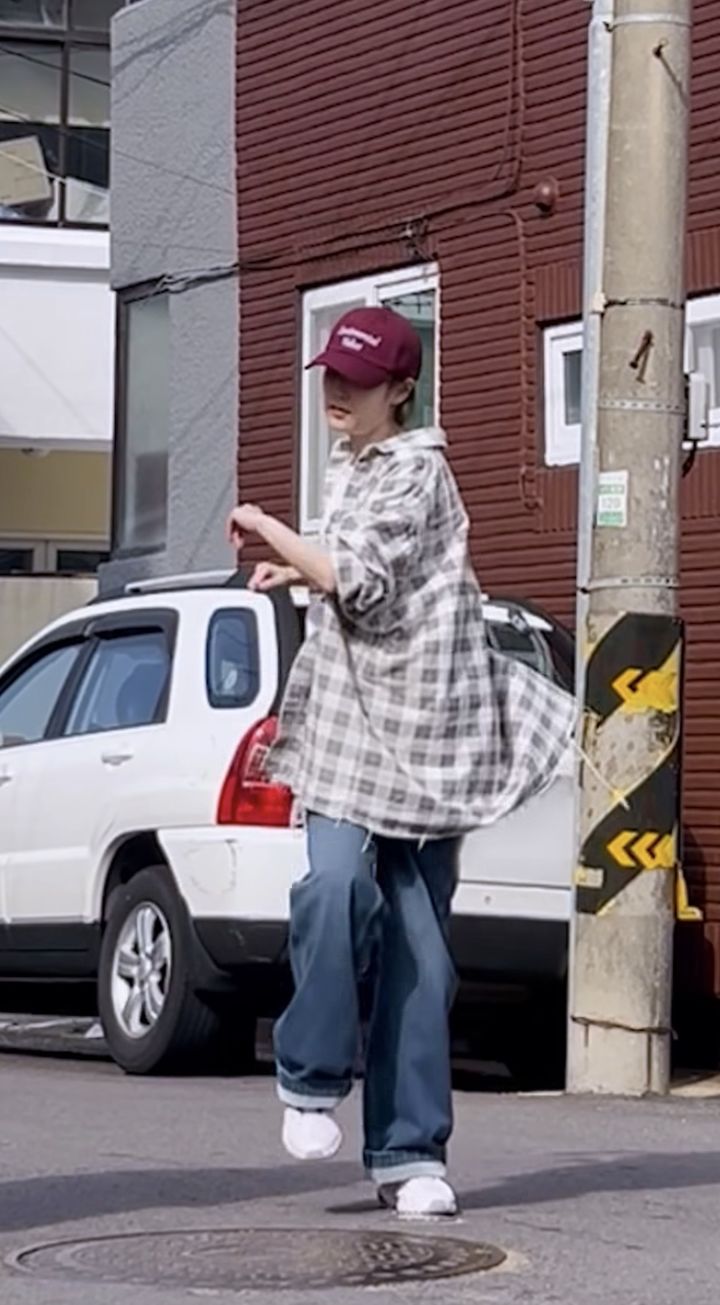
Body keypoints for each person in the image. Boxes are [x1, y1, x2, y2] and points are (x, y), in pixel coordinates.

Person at [227, 306, 574, 1219]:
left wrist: (271, 528)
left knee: (422, 952)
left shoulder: (419, 470)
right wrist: (290, 572)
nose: (337, 392)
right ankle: (308, 1076)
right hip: (349, 729)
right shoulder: (351, 465)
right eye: (330, 375)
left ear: (402, 387)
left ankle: (409, 1150)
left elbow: (363, 577)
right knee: (334, 890)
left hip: (427, 740)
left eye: (358, 379)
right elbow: (353, 577)